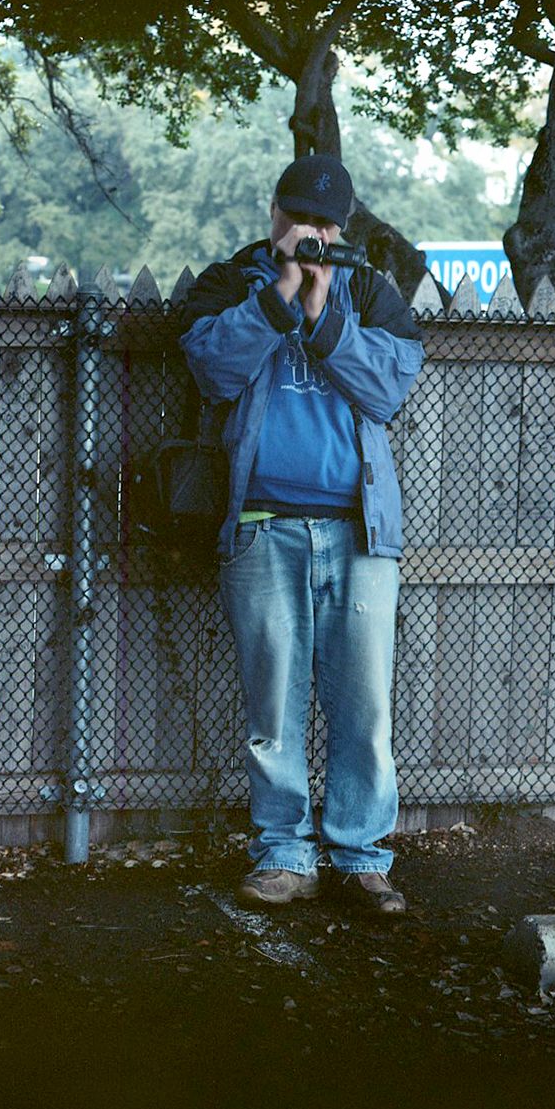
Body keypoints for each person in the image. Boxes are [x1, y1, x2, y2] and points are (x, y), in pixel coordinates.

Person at [177, 154, 424, 912]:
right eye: (295, 217)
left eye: (322, 223)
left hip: (357, 534)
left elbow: (387, 388)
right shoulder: (229, 283)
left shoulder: (370, 292)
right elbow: (212, 370)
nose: (307, 233)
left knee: (363, 708)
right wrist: (279, 298)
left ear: (342, 227)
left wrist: (322, 315)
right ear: (273, 212)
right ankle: (283, 854)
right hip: (262, 527)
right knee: (273, 711)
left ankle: (359, 858)